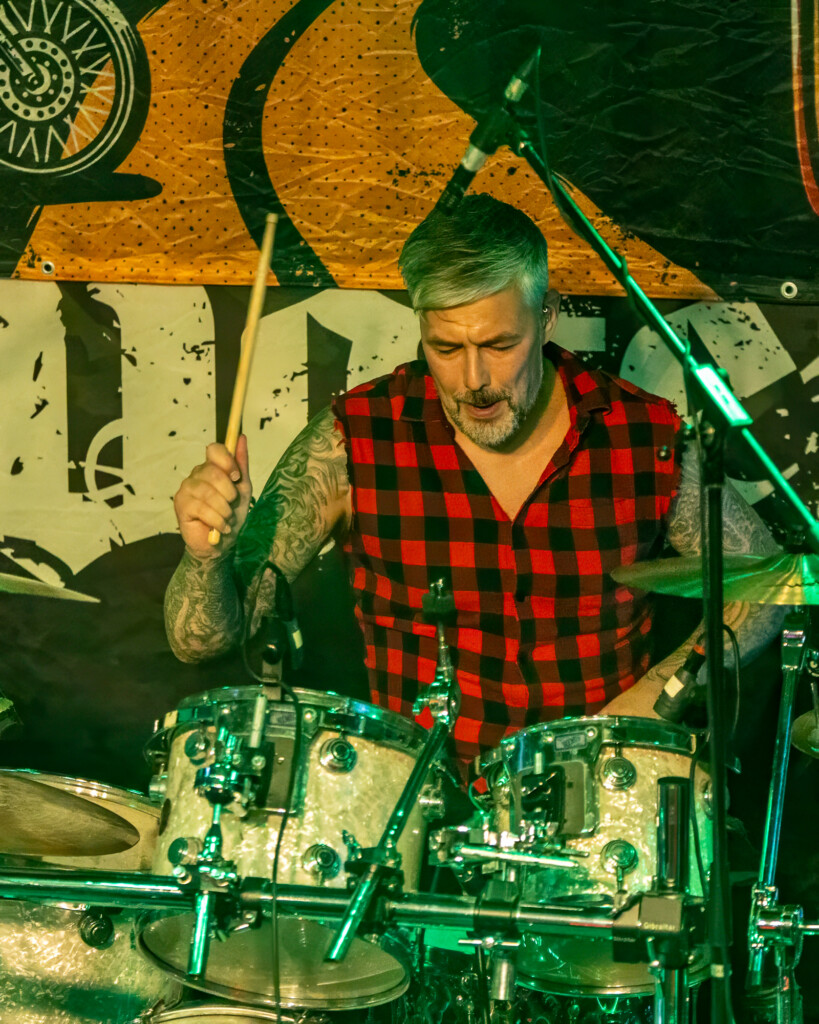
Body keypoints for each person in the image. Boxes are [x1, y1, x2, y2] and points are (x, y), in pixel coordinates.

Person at [164, 194, 782, 774]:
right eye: (446, 347)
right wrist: (205, 557)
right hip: (417, 807)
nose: (473, 380)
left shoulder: (642, 435)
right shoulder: (354, 439)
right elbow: (200, 642)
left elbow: (767, 588)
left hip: (597, 796)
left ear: (547, 316)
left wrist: (654, 700)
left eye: (500, 344)